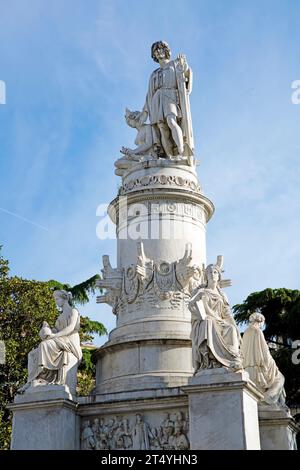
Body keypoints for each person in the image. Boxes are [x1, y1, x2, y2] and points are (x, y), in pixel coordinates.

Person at [19, 290, 82, 392]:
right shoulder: (60, 317)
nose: (56, 302)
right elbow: (56, 330)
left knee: (44, 345)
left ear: (64, 299)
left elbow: (70, 328)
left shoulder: (73, 311)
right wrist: (47, 328)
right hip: (59, 339)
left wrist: (54, 335)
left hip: (70, 340)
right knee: (32, 354)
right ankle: (31, 381)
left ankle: (42, 374)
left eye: (57, 299)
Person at [140, 41, 194, 158]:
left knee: (171, 121)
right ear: (154, 55)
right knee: (162, 129)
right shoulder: (154, 73)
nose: (159, 52)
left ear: (166, 51)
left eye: (161, 49)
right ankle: (169, 157)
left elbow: (186, 74)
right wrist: (144, 111)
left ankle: (181, 152)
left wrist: (183, 65)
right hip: (156, 101)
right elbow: (149, 94)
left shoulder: (175, 64)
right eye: (156, 50)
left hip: (170, 96)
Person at [189, 259, 242, 372]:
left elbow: (227, 313)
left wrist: (236, 327)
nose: (212, 274)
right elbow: (191, 305)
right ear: (206, 276)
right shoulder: (201, 291)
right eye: (210, 272)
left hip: (220, 322)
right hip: (206, 322)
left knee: (231, 329)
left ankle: (233, 360)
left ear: (219, 276)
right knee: (208, 323)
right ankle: (211, 360)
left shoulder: (222, 295)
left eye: (215, 272)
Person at [242, 312, 286, 407]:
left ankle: (277, 404)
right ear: (261, 321)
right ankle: (268, 400)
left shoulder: (246, 332)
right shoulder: (257, 331)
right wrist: (273, 365)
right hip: (259, 369)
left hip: (246, 368)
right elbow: (265, 353)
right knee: (281, 378)